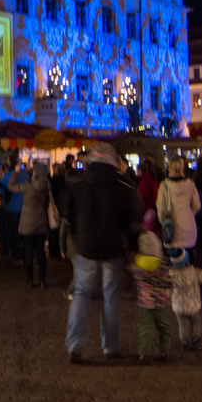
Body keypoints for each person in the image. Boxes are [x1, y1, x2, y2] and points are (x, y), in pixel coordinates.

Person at [60, 140, 144, 363]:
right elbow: (132, 218)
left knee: (81, 294)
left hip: (85, 247)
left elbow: (67, 215)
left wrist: (78, 234)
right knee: (111, 297)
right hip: (111, 247)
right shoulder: (122, 184)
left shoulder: (77, 182)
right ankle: (110, 347)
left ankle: (75, 345)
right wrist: (132, 244)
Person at [131, 210, 174, 364]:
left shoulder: (138, 265)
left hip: (146, 302)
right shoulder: (162, 263)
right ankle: (165, 352)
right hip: (162, 301)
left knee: (146, 327)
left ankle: (144, 353)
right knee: (164, 326)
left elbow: (135, 277)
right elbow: (170, 279)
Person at [17, 160, 53, 288]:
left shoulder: (28, 187)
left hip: (28, 224)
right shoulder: (47, 186)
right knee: (41, 253)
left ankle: (30, 280)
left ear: (35, 174)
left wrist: (16, 172)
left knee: (28, 253)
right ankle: (42, 280)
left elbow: (11, 186)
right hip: (41, 222)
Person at [155, 158, 201, 251]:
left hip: (171, 226)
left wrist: (163, 221)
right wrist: (190, 213)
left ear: (169, 168)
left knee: (175, 260)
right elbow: (197, 205)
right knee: (189, 257)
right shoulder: (190, 183)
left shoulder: (164, 185)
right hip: (188, 223)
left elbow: (160, 207)